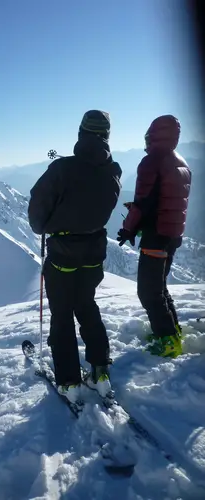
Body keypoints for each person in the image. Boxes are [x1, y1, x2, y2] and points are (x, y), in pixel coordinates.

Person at [28, 110, 122, 402]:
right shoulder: (114, 171)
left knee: (62, 315)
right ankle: (99, 370)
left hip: (63, 255)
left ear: (81, 133)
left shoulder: (61, 169)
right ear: (106, 136)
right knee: (87, 306)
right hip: (94, 252)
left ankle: (69, 381)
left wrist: (49, 224)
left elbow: (37, 215)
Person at [117, 115, 191, 358]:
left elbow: (143, 203)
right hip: (172, 235)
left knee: (148, 292)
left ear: (152, 135)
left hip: (155, 236)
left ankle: (168, 342)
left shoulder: (151, 161)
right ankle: (171, 331)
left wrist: (128, 228)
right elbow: (165, 201)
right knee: (158, 288)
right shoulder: (180, 161)